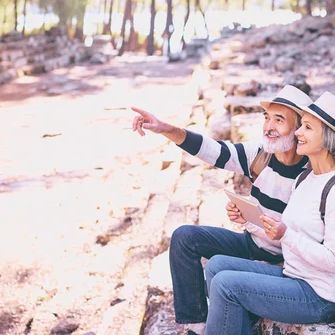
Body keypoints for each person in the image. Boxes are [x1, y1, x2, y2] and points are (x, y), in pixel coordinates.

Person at [131, 85, 313, 335]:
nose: (268, 127)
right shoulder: (261, 156)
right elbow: (215, 151)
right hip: (252, 245)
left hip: (284, 262)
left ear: (299, 128)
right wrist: (165, 129)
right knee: (185, 237)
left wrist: (251, 221)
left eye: (279, 120)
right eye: (267, 118)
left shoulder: (310, 176)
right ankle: (198, 324)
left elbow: (300, 238)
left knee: (219, 269)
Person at [203, 91, 335, 335]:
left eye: (307, 127)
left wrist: (286, 234)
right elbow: (284, 230)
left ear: (328, 138)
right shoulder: (305, 177)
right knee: (216, 266)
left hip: (318, 295)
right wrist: (249, 220)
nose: (298, 132)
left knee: (225, 284)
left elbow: (334, 261)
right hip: (293, 275)